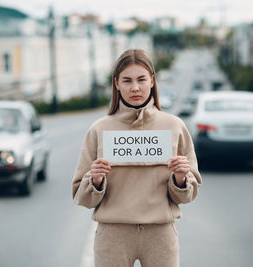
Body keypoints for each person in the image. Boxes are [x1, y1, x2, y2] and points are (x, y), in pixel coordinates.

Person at [72, 49, 202, 267]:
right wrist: (95, 181)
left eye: (141, 79)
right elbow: (81, 196)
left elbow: (188, 195)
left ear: (152, 81)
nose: (135, 87)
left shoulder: (175, 126)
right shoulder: (98, 129)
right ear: (116, 84)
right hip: (113, 235)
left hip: (160, 234)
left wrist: (180, 179)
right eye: (127, 80)